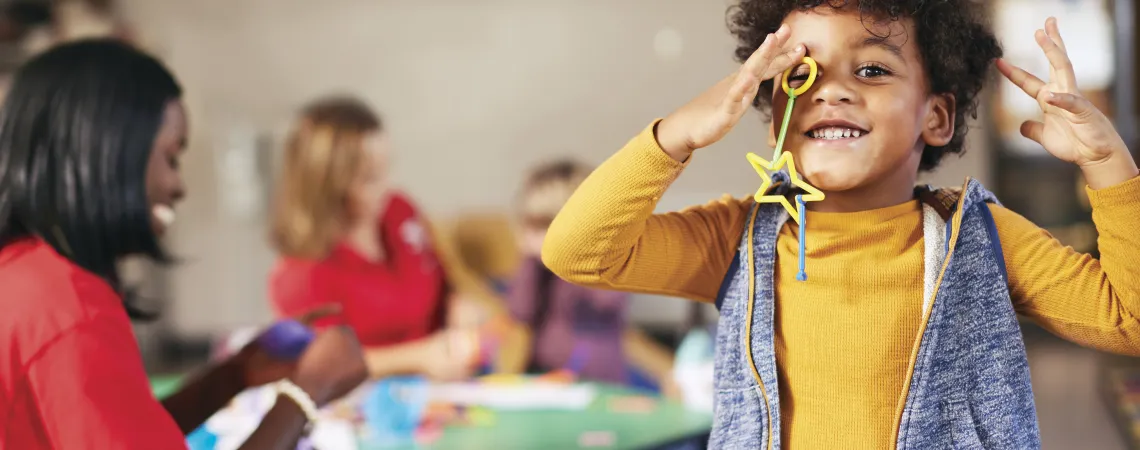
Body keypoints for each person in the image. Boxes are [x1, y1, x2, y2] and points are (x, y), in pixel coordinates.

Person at [541, 1, 1140, 448]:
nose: (831, 91)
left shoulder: (981, 239)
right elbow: (577, 252)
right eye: (800, 73)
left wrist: (1106, 164)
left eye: (873, 71)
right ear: (771, 104)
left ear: (935, 116)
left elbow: (1129, 320)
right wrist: (676, 134)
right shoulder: (733, 239)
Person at [0, 40, 369, 449]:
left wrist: (234, 375)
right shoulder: (68, 311)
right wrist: (307, 392)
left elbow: (125, 432)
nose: (179, 186)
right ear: (109, 156)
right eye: (171, 158)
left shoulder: (25, 273)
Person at [269, 96, 479, 382]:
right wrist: (419, 357)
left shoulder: (400, 211)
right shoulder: (300, 274)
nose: (386, 186)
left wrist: (460, 309)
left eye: (386, 169)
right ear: (327, 186)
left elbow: (445, 285)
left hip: (443, 392)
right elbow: (321, 362)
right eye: (369, 178)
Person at [505, 160, 676, 391]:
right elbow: (520, 310)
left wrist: (569, 260)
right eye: (529, 226)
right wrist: (529, 262)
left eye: (542, 227)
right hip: (546, 376)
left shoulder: (602, 264)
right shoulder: (537, 270)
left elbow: (606, 302)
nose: (532, 237)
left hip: (598, 379)